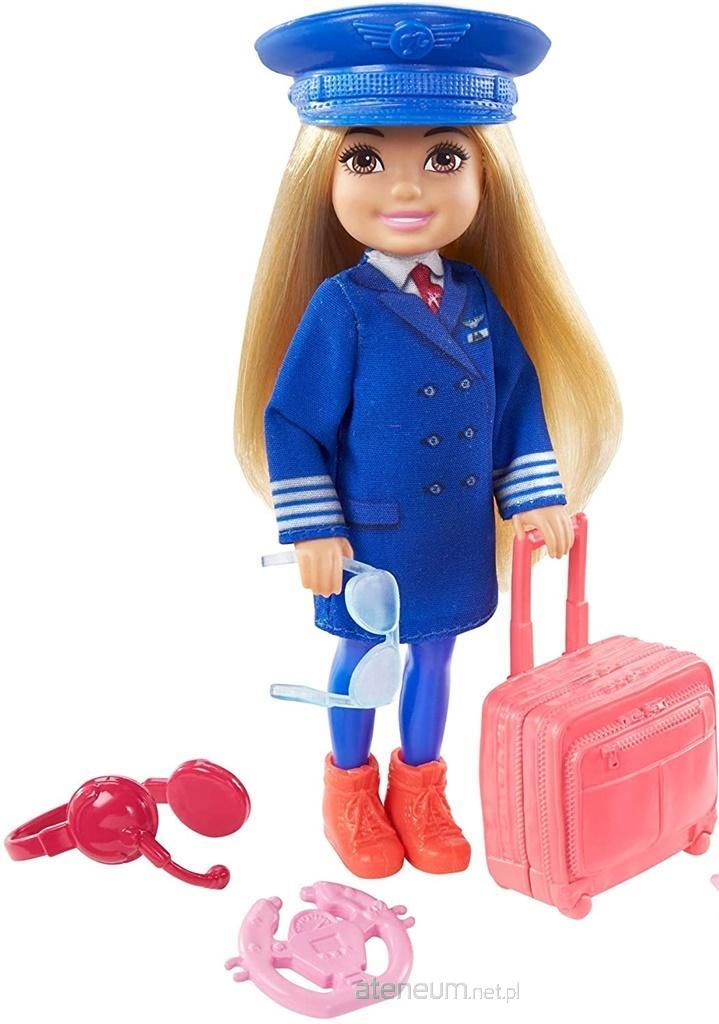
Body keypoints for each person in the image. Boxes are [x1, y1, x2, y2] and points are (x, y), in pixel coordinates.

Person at [235, 5, 621, 878]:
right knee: (364, 654)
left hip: (450, 536)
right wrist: (314, 528)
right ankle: (348, 791)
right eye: (365, 159)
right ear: (324, 179)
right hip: (372, 536)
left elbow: (514, 401)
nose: (405, 190)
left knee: (436, 655)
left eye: (443, 158)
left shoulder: (476, 297)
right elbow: (291, 421)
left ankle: (419, 787)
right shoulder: (343, 306)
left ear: (485, 175)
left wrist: (534, 499)